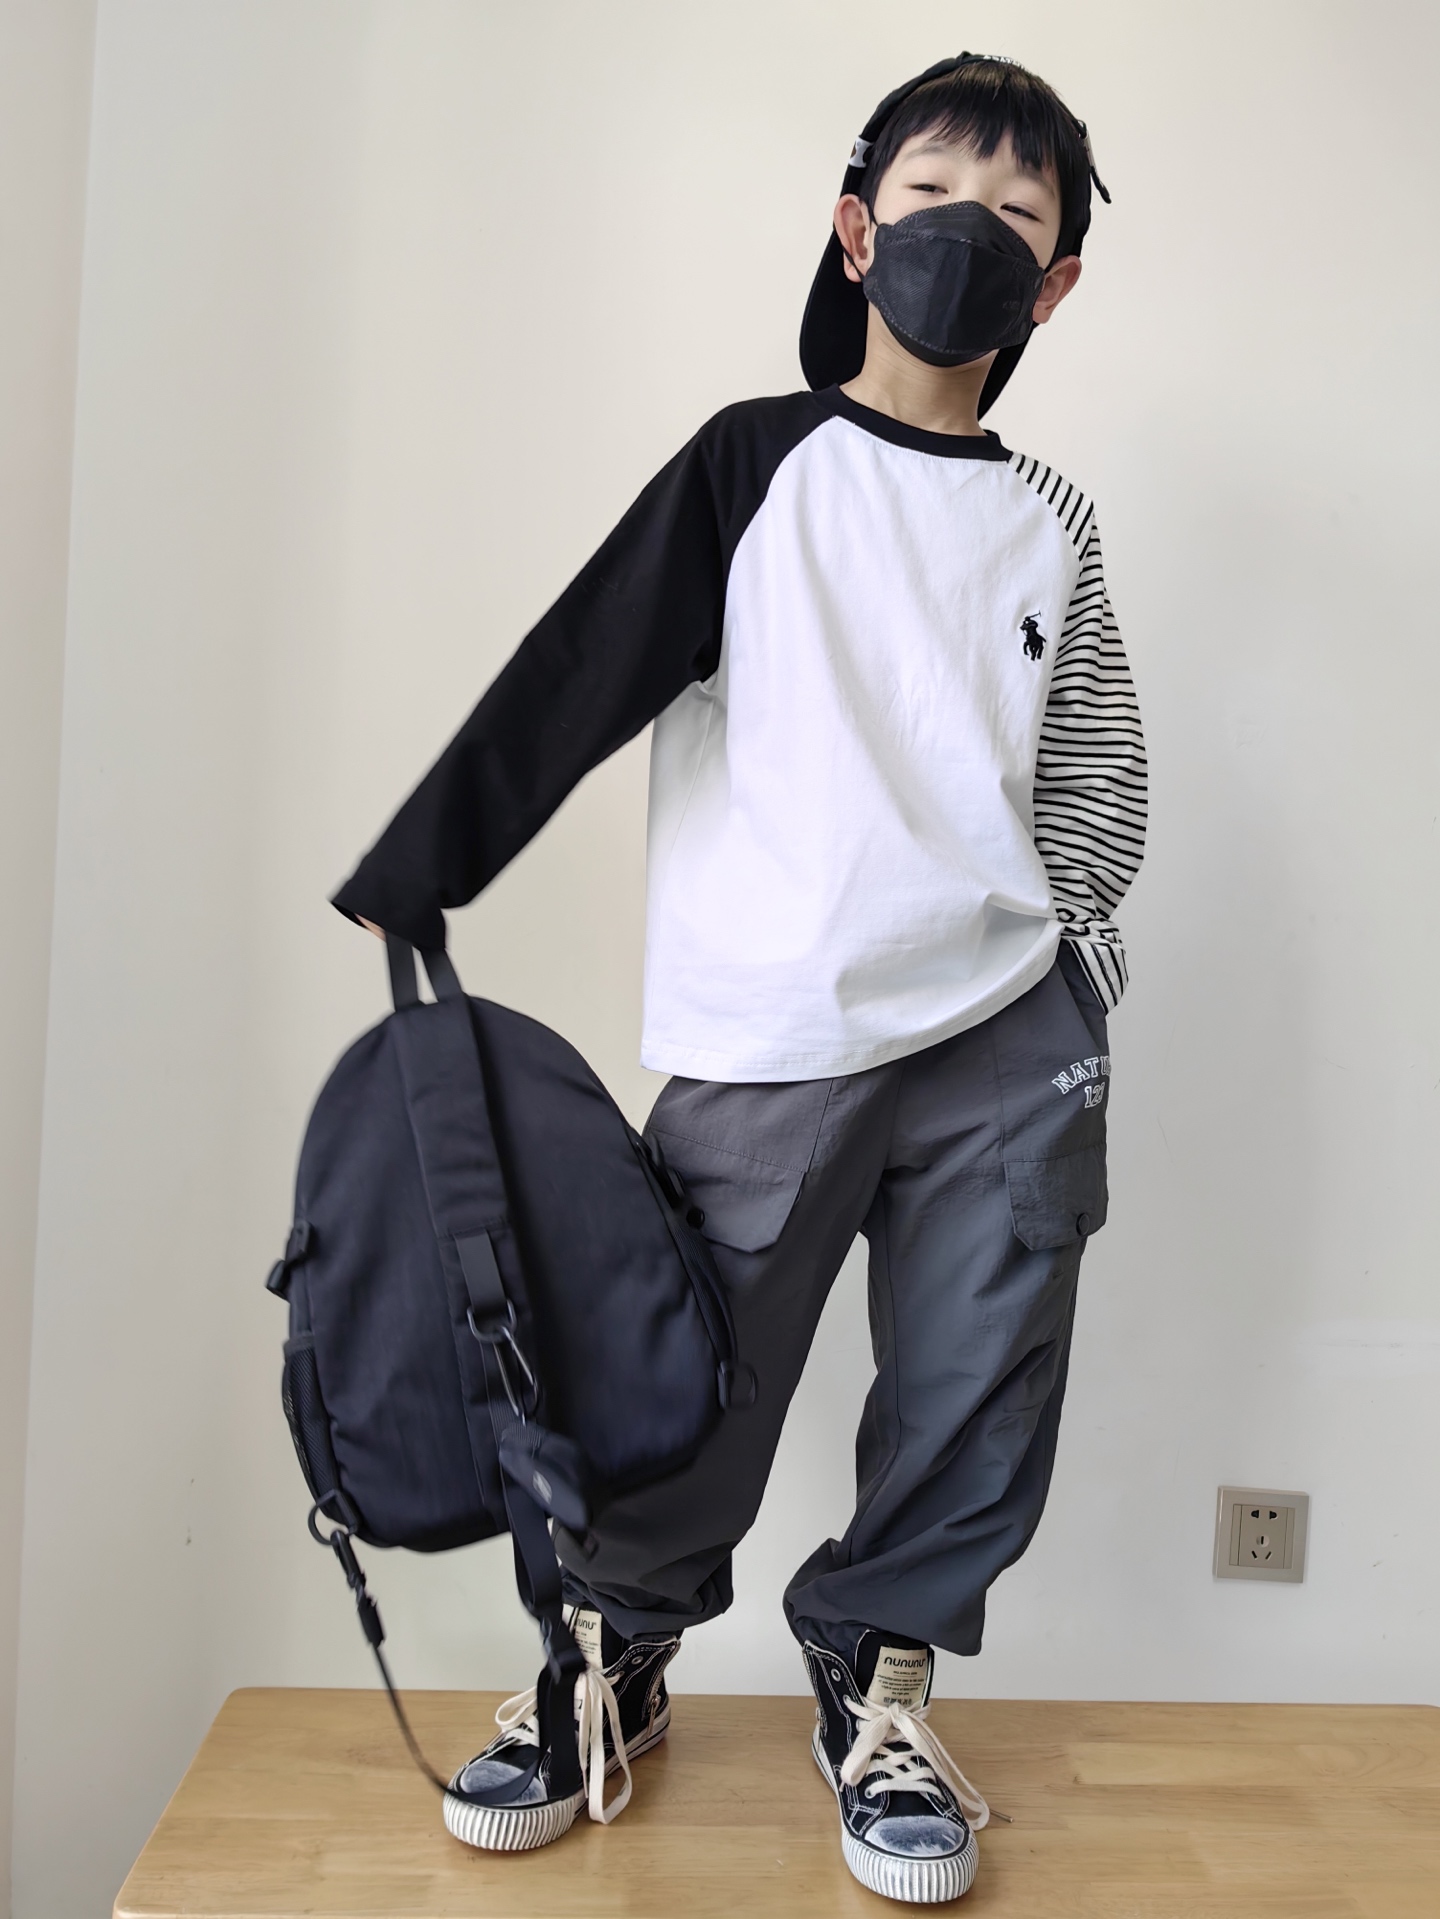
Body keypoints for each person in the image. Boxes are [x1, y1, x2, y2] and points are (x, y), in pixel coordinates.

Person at [334, 52, 1146, 1906]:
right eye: (933, 197)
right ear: (857, 231)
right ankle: (607, 1655)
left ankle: (882, 1676)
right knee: (674, 1371)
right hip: (779, 1021)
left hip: (1006, 1037)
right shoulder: (755, 465)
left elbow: (1094, 765)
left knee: (980, 1380)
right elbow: (584, 664)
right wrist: (423, 866)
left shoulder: (1052, 519)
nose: (969, 232)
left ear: (1056, 286)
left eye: (1016, 216)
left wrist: (1081, 978)